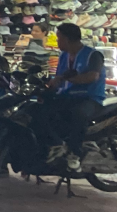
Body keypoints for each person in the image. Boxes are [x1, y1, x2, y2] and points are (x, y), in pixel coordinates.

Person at [45, 21, 105, 172]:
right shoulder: (64, 56)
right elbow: (59, 77)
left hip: (90, 98)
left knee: (78, 115)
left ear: (68, 39)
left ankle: (75, 153)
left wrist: (69, 79)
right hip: (68, 96)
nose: (57, 42)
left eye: (59, 38)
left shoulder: (93, 55)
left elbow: (93, 76)